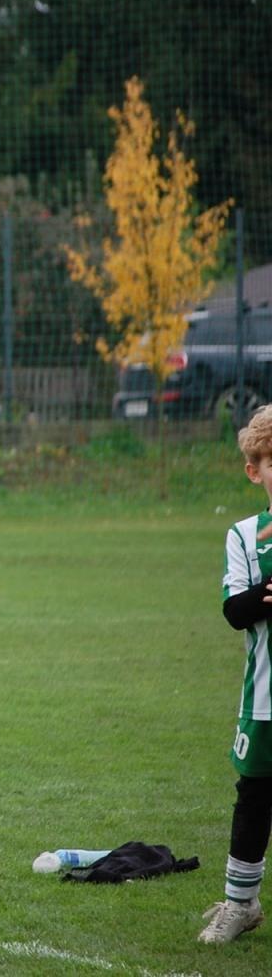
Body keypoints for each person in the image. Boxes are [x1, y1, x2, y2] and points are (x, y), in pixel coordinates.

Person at [200, 404, 272, 943]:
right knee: (254, 797)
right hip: (264, 699)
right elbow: (234, 610)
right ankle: (240, 904)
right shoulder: (245, 536)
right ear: (255, 470)